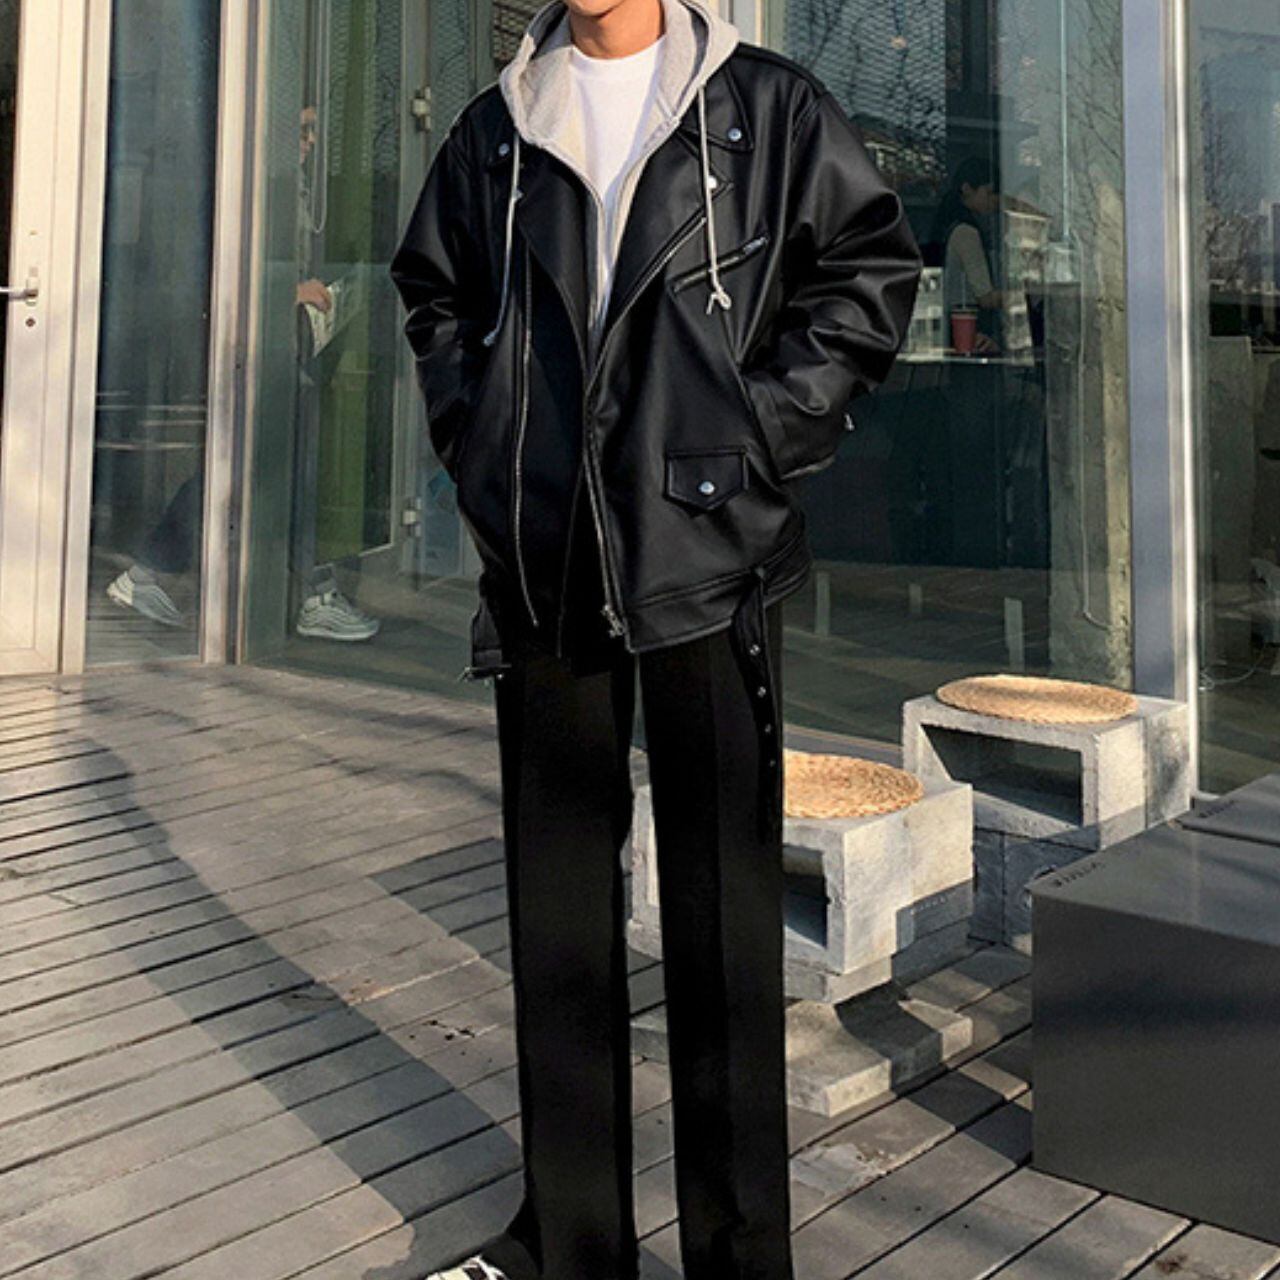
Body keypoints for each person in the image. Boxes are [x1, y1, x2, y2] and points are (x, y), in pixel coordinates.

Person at [391, 1, 921, 1277]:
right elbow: (434, 295)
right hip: (545, 558)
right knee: (558, 921)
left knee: (722, 920)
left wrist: (754, 435)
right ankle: (570, 1241)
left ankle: (737, 1254)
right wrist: (485, 450)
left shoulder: (765, 106)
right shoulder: (495, 127)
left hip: (709, 550)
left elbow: (866, 273)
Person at [106, 104, 380, 642]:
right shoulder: (252, 190)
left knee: (247, 471)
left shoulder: (286, 190)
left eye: (313, 132)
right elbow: (218, 271)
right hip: (256, 353)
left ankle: (150, 572)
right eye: (302, 130)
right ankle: (314, 595)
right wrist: (291, 290)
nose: (310, 142)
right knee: (283, 472)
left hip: (275, 351)